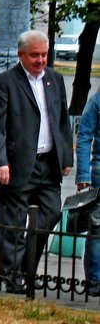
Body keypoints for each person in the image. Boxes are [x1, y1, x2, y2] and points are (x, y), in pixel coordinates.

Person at [0, 30, 74, 294]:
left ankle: (25, 269)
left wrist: (66, 156)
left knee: (50, 214)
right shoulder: (5, 83)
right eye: (34, 55)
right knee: (12, 224)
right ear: (21, 55)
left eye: (44, 54)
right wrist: (0, 161)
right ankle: (13, 279)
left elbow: (61, 121)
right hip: (16, 165)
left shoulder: (55, 81)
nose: (40, 60)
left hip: (48, 165)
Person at [76, 89, 100, 296]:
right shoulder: (97, 102)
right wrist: (83, 175)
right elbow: (84, 138)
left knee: (97, 229)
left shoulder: (96, 101)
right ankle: (95, 280)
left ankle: (95, 281)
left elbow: (84, 138)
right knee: (98, 229)